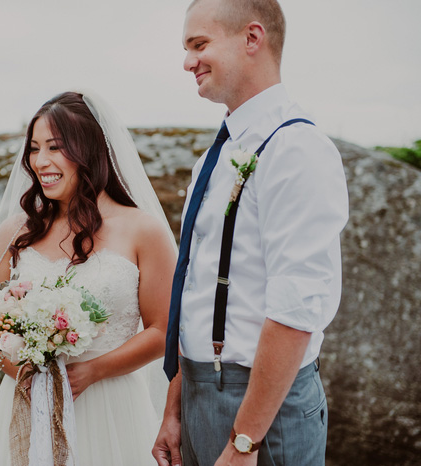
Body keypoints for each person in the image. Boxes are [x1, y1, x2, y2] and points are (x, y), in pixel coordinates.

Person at [153, 1, 349, 466]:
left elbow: (295, 308)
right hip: (199, 395)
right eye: (186, 47)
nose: (187, 61)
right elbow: (194, 290)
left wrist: (245, 442)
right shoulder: (214, 158)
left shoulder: (295, 148)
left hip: (262, 414)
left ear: (252, 39)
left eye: (199, 44)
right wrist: (176, 406)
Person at [0, 91, 178, 465]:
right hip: (26, 402)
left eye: (55, 147)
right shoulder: (15, 231)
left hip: (109, 407)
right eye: (34, 148)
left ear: (88, 150)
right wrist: (25, 374)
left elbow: (163, 329)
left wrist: (92, 371)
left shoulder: (142, 230)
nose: (40, 162)